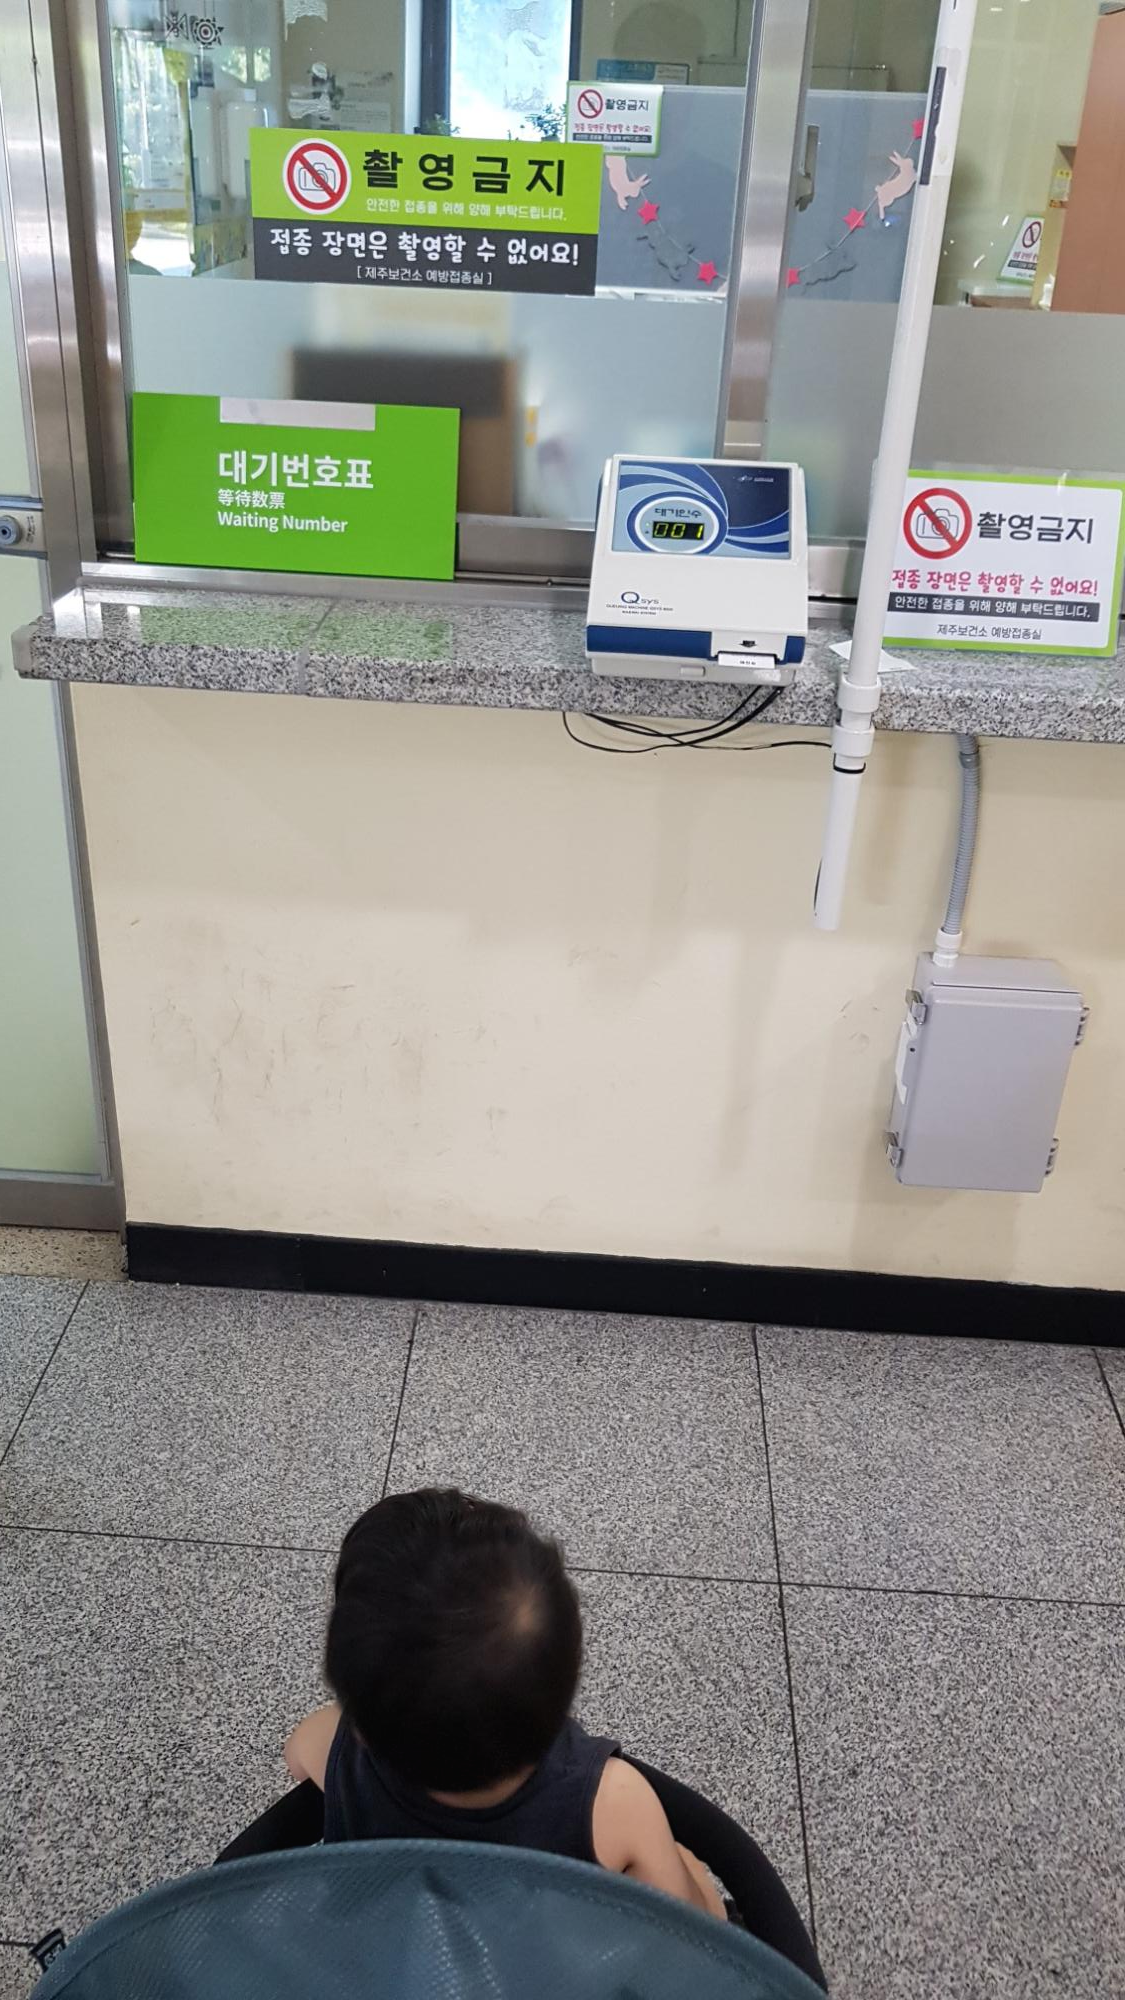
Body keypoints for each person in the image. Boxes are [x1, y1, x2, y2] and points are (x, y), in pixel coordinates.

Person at [285, 1488, 727, 1921]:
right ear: (568, 1679)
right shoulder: (614, 1802)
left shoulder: (331, 1744)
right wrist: (691, 1871)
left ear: (360, 1724)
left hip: (391, 1948)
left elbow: (296, 1759)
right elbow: (693, 1931)